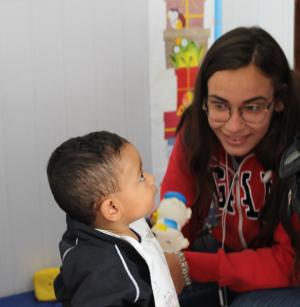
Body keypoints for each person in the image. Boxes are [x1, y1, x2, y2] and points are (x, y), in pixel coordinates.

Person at [161, 26, 300, 306]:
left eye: (253, 108)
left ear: (280, 101)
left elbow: (290, 262)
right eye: (219, 105)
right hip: (223, 250)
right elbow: (174, 212)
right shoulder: (196, 131)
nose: (234, 126)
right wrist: (165, 256)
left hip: (286, 270)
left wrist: (189, 266)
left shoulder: (294, 147)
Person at [47, 131, 179, 307]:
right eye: (140, 177)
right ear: (113, 208)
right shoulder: (109, 276)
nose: (151, 178)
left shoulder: (114, 222)